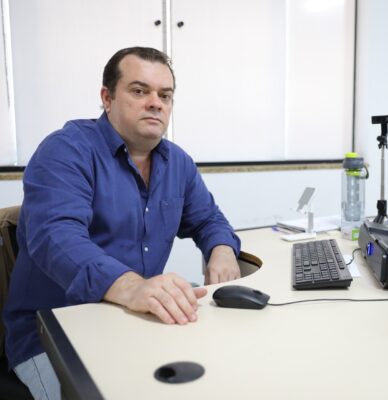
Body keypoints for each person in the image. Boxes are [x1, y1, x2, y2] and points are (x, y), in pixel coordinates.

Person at [3, 46, 241, 399]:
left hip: (135, 321)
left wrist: (221, 249)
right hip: (52, 333)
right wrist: (130, 287)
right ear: (107, 98)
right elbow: (55, 236)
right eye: (140, 91)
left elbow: (208, 219)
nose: (155, 103)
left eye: (165, 95)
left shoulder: (178, 163)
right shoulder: (66, 150)